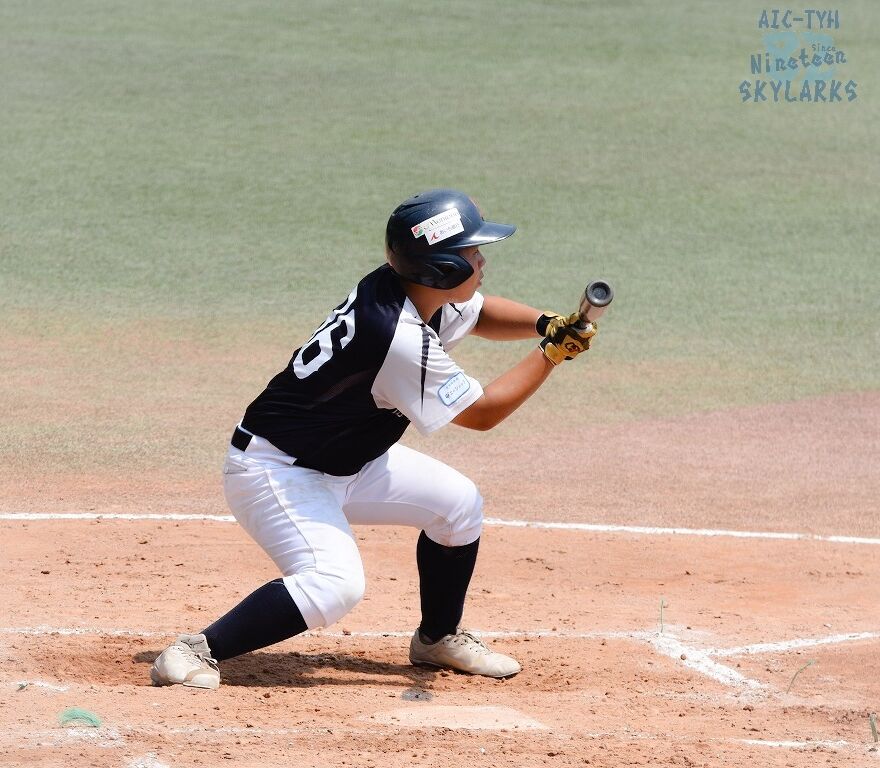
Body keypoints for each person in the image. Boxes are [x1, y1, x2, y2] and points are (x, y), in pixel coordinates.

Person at [149, 188, 597, 689]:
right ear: (444, 268)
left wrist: (546, 323)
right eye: (472, 252)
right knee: (335, 585)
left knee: (458, 506)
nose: (482, 260)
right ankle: (195, 650)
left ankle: (437, 638)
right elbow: (483, 413)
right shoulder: (396, 336)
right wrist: (552, 353)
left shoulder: (411, 290)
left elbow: (480, 312)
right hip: (276, 471)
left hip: (350, 461)